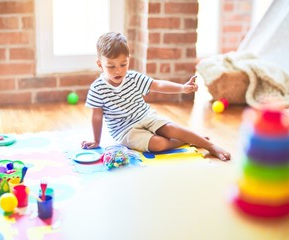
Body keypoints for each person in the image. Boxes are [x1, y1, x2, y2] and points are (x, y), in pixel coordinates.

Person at [81, 32, 231, 161]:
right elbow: (96, 116)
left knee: (172, 129)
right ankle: (185, 140)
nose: (118, 71)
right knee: (158, 144)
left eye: (123, 64)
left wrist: (183, 88)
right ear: (100, 64)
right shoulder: (97, 88)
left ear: (128, 60)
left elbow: (158, 85)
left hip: (146, 116)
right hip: (125, 131)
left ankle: (210, 146)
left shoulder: (133, 77)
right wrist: (96, 140)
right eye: (111, 66)